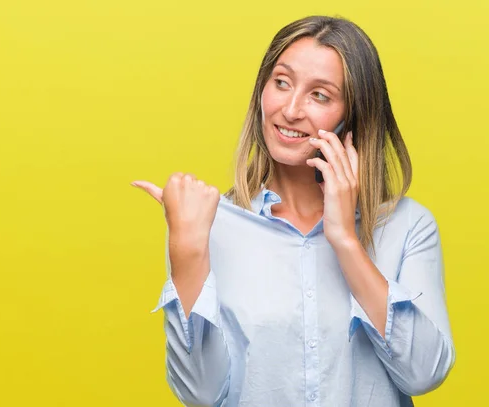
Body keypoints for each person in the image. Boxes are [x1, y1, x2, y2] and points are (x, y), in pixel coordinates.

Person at [132, 15, 455, 407]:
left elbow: (424, 374)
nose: (290, 109)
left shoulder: (407, 227)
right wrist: (186, 251)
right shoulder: (206, 225)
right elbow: (200, 394)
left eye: (320, 95)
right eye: (281, 82)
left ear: (352, 117)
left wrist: (345, 241)